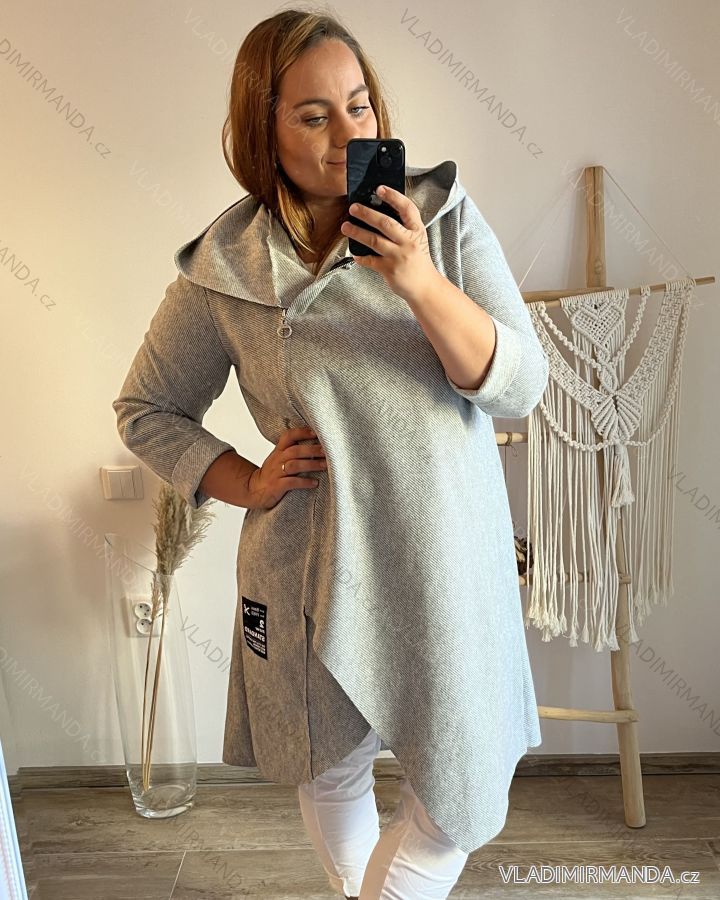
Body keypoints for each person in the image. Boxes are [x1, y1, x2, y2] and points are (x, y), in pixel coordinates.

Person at [112, 9, 550, 899]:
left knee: (452, 804)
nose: (349, 134)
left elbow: (519, 384)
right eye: (314, 117)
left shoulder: (441, 219)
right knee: (332, 769)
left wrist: (416, 278)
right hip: (310, 564)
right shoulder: (227, 269)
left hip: (443, 559)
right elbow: (146, 408)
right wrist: (246, 481)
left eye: (359, 105)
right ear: (262, 133)